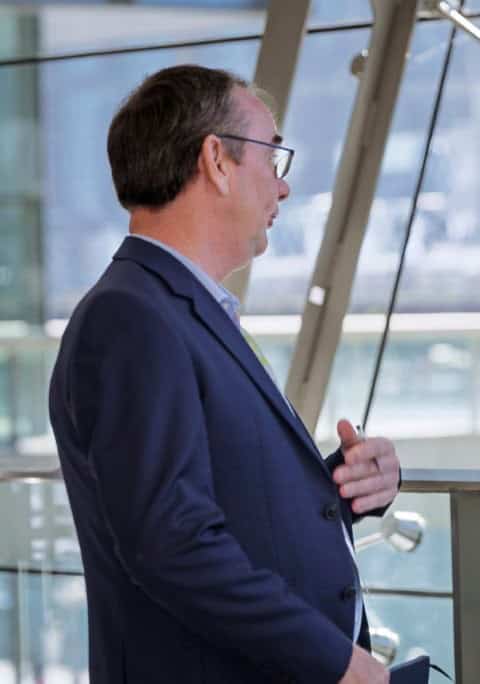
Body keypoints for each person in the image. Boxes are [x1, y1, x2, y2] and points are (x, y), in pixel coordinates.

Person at [48, 65, 400, 684]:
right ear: (216, 160)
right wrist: (340, 664)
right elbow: (172, 544)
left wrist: (343, 488)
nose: (282, 187)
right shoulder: (131, 317)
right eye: (272, 157)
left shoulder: (175, 308)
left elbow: (218, 504)